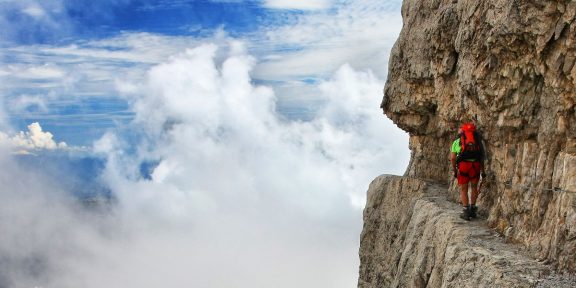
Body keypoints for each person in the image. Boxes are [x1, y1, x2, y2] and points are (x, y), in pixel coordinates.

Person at [450, 122, 486, 221]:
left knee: (464, 189)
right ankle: (473, 209)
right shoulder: (478, 141)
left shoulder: (457, 142)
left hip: (463, 167)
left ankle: (466, 211)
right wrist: (482, 170)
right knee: (474, 187)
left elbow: (453, 158)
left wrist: (455, 170)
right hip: (476, 165)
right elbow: (481, 156)